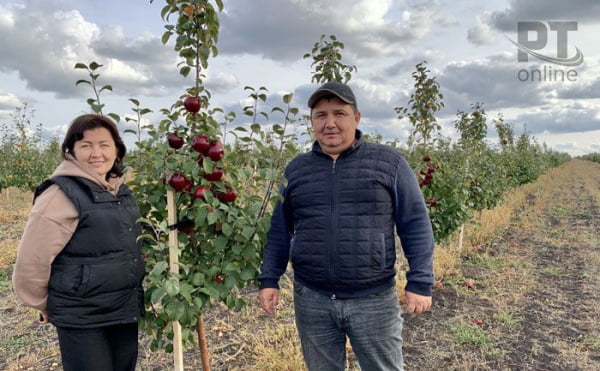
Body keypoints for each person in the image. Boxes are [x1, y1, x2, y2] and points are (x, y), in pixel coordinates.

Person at [258, 82, 435, 371]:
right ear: (312, 121)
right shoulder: (296, 169)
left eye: (339, 113)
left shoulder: (388, 163)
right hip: (312, 299)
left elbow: (415, 223)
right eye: (321, 115)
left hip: (373, 300)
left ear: (357, 118)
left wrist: (420, 281)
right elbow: (280, 230)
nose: (330, 123)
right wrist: (269, 279)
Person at [12, 114, 145, 371]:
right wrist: (43, 303)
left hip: (122, 307)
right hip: (82, 315)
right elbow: (32, 259)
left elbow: (126, 237)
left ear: (117, 149)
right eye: (85, 145)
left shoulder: (118, 191)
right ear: (71, 151)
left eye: (104, 144)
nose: (96, 153)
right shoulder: (61, 194)